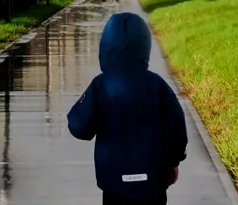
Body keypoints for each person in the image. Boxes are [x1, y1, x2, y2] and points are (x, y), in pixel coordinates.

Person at [67, 12, 188, 205]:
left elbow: (79, 126)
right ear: (144, 46)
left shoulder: (101, 86)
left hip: (113, 180)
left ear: (106, 48)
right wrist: (173, 163)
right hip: (153, 180)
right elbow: (177, 128)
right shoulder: (157, 85)